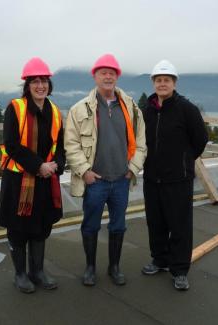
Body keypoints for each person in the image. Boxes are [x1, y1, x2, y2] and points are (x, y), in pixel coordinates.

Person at [64, 54, 147, 286]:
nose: (108, 76)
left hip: (121, 178)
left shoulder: (131, 107)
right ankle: (90, 267)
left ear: (117, 76)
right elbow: (71, 144)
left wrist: (133, 168)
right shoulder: (79, 109)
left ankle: (114, 267)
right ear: (95, 76)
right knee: (90, 224)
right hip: (95, 180)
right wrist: (85, 172)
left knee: (118, 225)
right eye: (103, 72)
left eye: (112, 73)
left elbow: (141, 142)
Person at [0, 57, 66, 293]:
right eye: (35, 81)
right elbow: (12, 145)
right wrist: (39, 166)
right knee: (18, 229)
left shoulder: (55, 112)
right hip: (19, 182)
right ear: (27, 85)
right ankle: (20, 274)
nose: (40, 85)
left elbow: (60, 146)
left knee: (41, 226)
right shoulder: (15, 108)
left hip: (46, 181)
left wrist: (57, 164)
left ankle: (37, 271)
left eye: (44, 80)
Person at [141, 60, 208, 290]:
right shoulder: (146, 110)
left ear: (174, 83)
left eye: (166, 80)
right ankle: (159, 259)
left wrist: (185, 160)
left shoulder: (186, 109)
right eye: (158, 80)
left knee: (179, 225)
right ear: (153, 82)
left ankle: (179, 269)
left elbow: (200, 139)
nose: (162, 84)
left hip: (178, 179)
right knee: (156, 222)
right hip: (151, 178)